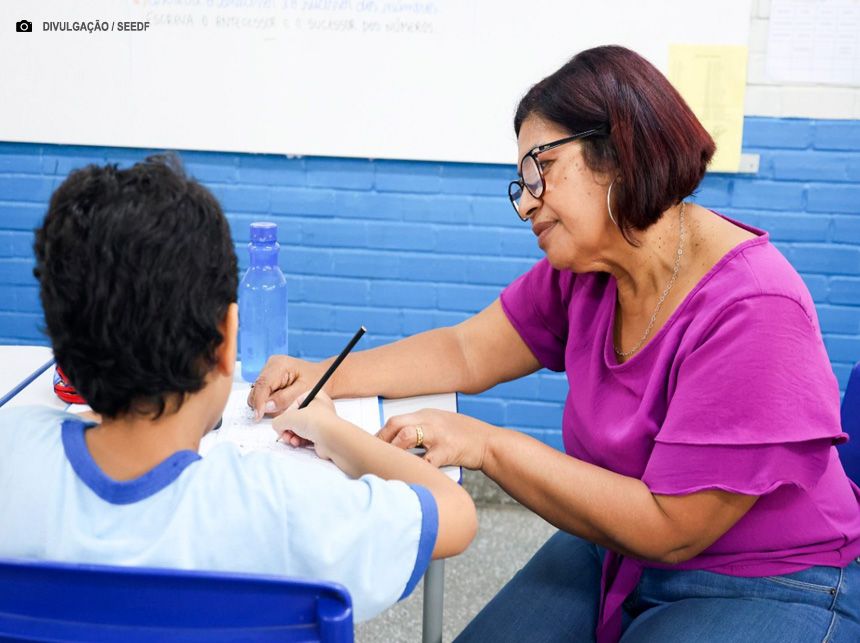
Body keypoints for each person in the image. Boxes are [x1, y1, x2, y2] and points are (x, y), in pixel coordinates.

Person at [251, 46, 860, 642]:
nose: (528, 204)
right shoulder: (588, 272)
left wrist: (487, 446)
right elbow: (467, 351)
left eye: (539, 169)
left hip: (770, 577)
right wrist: (323, 372)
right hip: (618, 545)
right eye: (521, 183)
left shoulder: (755, 308)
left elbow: (672, 527)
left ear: (620, 148)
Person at [0, 155, 476, 622]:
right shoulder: (283, 509)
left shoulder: (13, 451)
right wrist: (333, 431)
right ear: (226, 339)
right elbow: (454, 513)